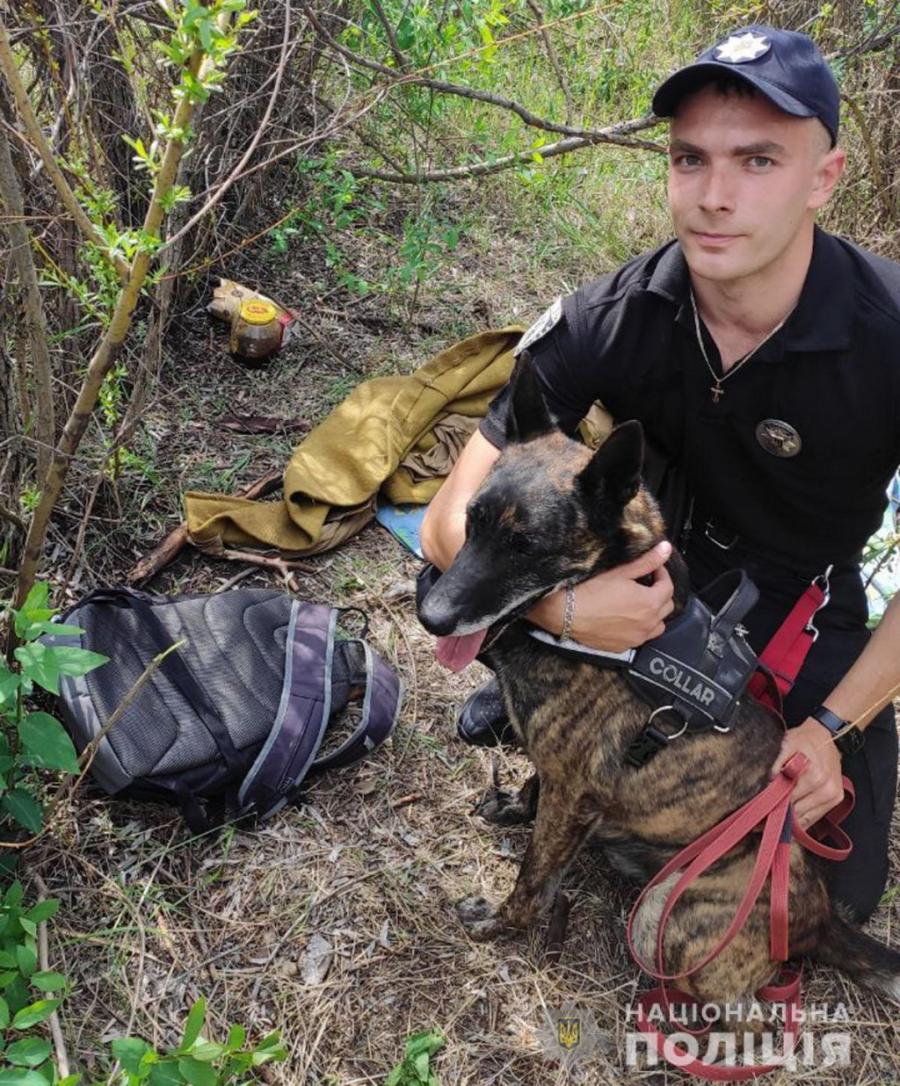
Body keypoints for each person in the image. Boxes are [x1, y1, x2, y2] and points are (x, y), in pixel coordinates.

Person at [420, 24, 900, 923]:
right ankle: (546, 695)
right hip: (649, 558)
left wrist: (832, 729)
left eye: (758, 161)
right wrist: (562, 613)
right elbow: (448, 521)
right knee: (483, 568)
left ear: (823, 178)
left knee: (834, 898)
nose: (714, 197)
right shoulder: (614, 313)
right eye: (690, 159)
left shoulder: (888, 336)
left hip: (798, 598)